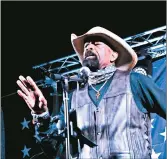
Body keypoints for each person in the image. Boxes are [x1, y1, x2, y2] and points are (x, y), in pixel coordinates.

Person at [16, 26, 166, 159]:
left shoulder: (134, 81)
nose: (89, 47)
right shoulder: (73, 97)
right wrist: (42, 115)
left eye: (96, 43)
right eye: (86, 45)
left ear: (113, 55)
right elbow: (56, 149)